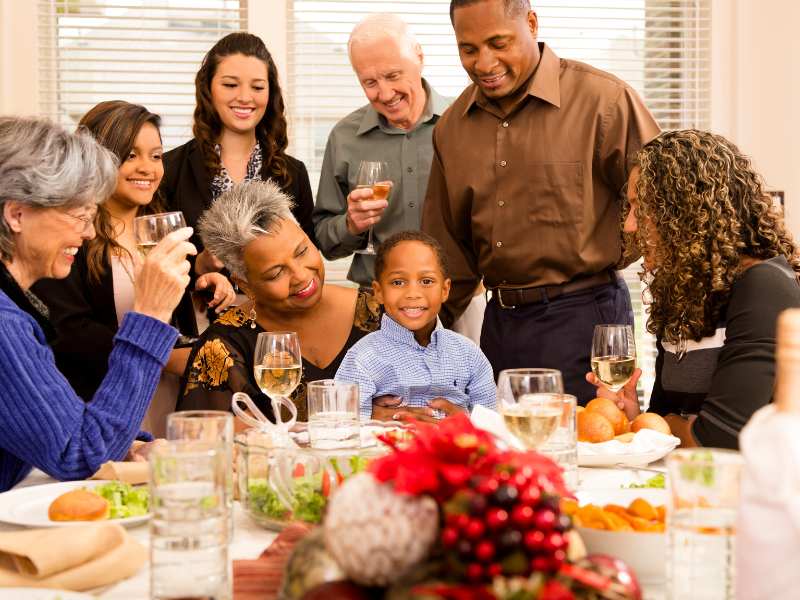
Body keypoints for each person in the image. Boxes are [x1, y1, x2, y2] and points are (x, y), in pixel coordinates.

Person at [422, 0, 660, 403]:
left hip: (586, 318)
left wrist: (615, 255)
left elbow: (665, 204)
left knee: (589, 455)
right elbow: (447, 253)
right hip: (499, 324)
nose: (484, 62)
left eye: (499, 43)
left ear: (531, 24)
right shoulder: (451, 128)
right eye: (469, 49)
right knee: (502, 454)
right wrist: (408, 344)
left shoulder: (604, 102)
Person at [0, 117, 195, 491]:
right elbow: (79, 453)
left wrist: (125, 444)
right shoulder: (6, 323)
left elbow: (58, 431)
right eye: (79, 216)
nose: (89, 232)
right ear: (17, 214)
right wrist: (151, 315)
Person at [32, 101, 236, 437]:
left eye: (156, 156)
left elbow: (167, 306)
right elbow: (68, 331)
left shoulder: (159, 225)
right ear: (97, 159)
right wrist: (163, 355)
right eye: (130, 155)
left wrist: (199, 281)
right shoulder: (72, 235)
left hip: (170, 397)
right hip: (104, 399)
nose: (148, 168)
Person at [587, 130, 800, 449]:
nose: (630, 225)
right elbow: (664, 418)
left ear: (686, 211)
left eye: (641, 208)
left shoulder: (765, 287)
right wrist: (633, 416)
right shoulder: (681, 289)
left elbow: (722, 438)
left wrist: (664, 428)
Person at [179, 180, 382, 422]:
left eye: (302, 251)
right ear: (245, 286)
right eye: (276, 273)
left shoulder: (378, 315)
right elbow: (202, 441)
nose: (301, 275)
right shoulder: (221, 348)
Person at [161, 32, 316, 277]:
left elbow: (309, 258)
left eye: (257, 87)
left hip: (274, 314)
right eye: (230, 85)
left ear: (270, 93)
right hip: (198, 313)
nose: (245, 97)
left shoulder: (293, 173)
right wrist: (198, 268)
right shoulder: (169, 169)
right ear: (208, 89)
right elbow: (154, 264)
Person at [335, 231, 496, 422]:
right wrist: (373, 418)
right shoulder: (363, 358)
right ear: (378, 292)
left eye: (426, 281)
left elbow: (492, 422)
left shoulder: (469, 354)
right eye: (398, 282)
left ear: (445, 290)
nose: (413, 293)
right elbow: (340, 421)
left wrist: (466, 419)